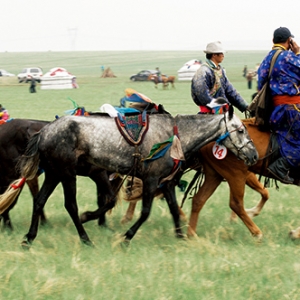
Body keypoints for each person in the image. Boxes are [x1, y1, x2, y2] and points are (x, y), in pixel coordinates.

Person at [257, 27, 300, 184]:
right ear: (289, 41)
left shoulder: (266, 59)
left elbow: (260, 84)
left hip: (274, 112)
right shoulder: (289, 56)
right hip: (291, 110)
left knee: (288, 138)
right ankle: (281, 167)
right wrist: (298, 53)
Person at [191, 41, 248, 114]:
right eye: (221, 53)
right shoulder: (203, 72)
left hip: (223, 111)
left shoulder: (220, 70)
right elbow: (202, 94)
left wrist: (245, 106)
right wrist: (216, 107)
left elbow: (230, 91)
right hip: (209, 114)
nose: (223, 55)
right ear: (214, 55)